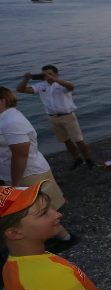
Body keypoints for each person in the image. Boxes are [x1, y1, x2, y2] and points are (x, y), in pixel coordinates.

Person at [0, 87, 74, 251]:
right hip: (22, 172)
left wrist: (15, 183)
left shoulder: (11, 121)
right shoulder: (6, 118)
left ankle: (66, 238)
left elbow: (21, 154)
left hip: (28, 173)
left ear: (3, 101)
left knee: (39, 210)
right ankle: (59, 237)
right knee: (39, 209)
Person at [16, 65, 93, 170]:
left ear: (56, 74)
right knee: (66, 140)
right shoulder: (41, 85)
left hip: (68, 116)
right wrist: (26, 79)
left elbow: (71, 87)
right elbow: (20, 89)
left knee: (78, 140)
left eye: (50, 74)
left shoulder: (62, 84)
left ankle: (89, 160)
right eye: (45, 74)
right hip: (53, 118)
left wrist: (55, 79)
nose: (47, 76)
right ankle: (77, 159)